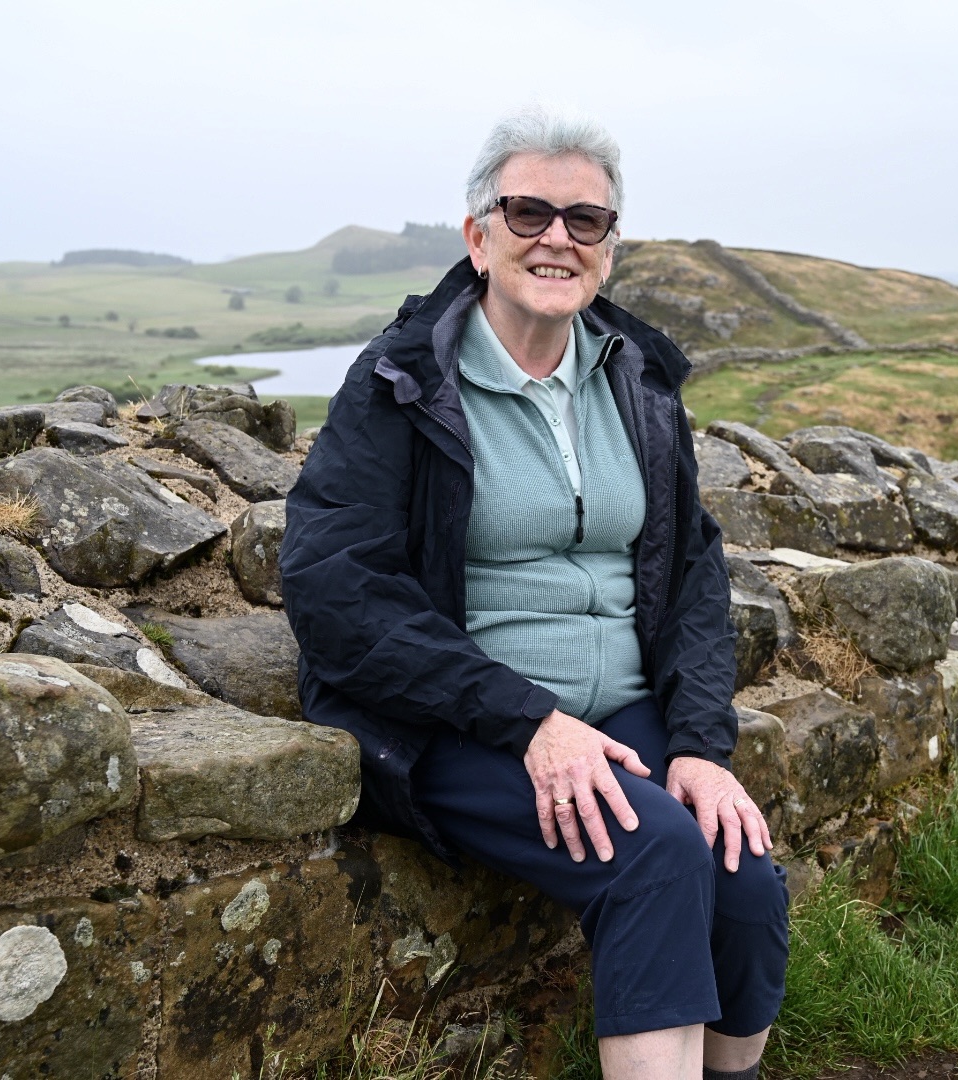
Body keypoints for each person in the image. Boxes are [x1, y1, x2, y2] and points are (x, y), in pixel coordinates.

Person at [280, 106, 789, 1080]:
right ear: (479, 237)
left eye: (585, 220)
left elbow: (691, 572)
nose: (557, 236)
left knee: (742, 875)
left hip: (621, 713)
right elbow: (334, 589)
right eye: (528, 213)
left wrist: (698, 745)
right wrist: (529, 722)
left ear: (608, 249)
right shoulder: (400, 383)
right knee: (655, 854)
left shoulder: (638, 380)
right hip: (458, 722)